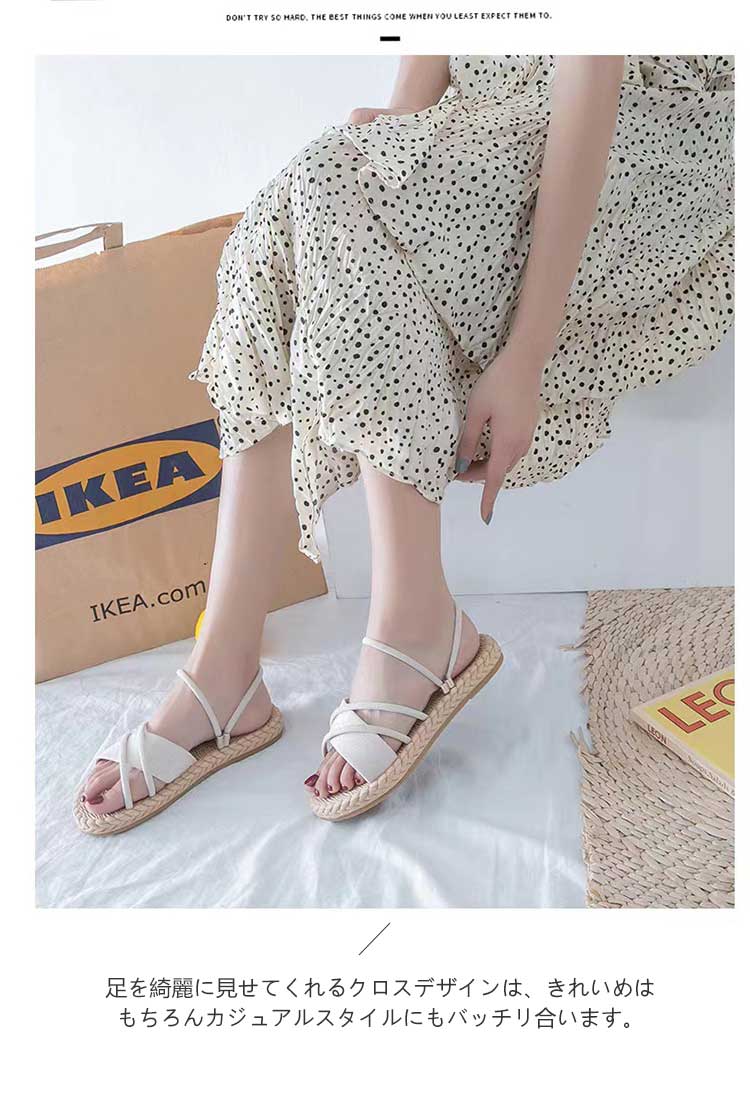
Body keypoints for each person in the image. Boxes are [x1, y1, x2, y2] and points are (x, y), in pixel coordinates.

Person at [76, 55, 734, 830]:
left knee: (332, 181)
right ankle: (224, 665)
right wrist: (399, 131)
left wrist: (525, 355)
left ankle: (413, 622)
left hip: (645, 125)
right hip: (493, 106)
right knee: (288, 211)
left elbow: (592, 67)